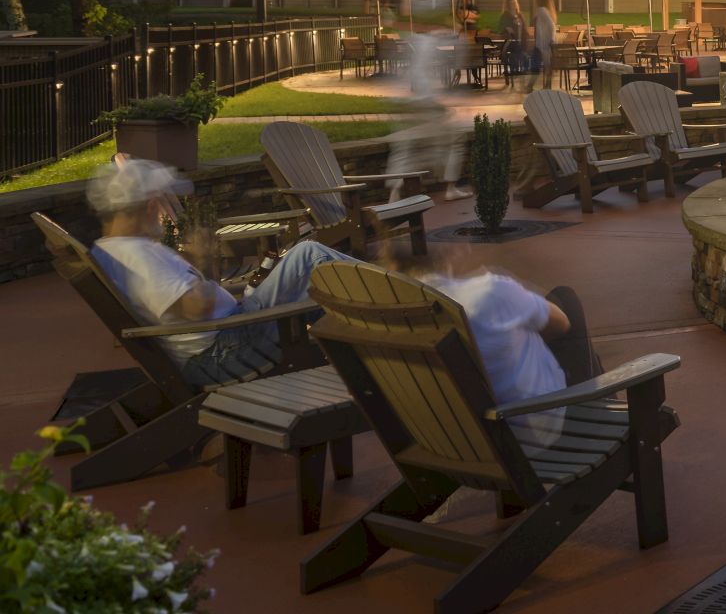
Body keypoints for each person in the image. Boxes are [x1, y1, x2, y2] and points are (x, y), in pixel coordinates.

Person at [88, 157, 359, 385]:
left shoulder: (110, 249)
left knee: (312, 284)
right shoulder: (137, 255)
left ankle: (366, 336)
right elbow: (195, 309)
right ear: (149, 207)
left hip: (227, 335)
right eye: (161, 203)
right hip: (225, 350)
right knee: (308, 255)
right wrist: (203, 258)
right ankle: (391, 304)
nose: (163, 213)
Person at [417, 248, 600, 448]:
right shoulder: (491, 291)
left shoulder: (397, 320)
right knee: (566, 298)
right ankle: (601, 411)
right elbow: (561, 324)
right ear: (442, 262)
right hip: (533, 433)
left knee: (521, 333)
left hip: (454, 443)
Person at [500, 0, 528, 88]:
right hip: (511, 43)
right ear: (507, 5)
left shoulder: (519, 15)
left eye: (514, 3)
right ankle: (515, 70)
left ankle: (522, 71)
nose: (513, 5)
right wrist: (511, 27)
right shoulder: (505, 15)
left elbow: (524, 28)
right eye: (510, 3)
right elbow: (506, 29)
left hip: (521, 41)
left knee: (523, 53)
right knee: (517, 52)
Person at [532, 0, 558, 89]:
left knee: (537, 65)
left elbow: (549, 26)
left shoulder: (541, 11)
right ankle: (547, 84)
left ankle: (532, 85)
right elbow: (551, 26)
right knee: (546, 65)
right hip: (547, 42)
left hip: (542, 43)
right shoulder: (547, 11)